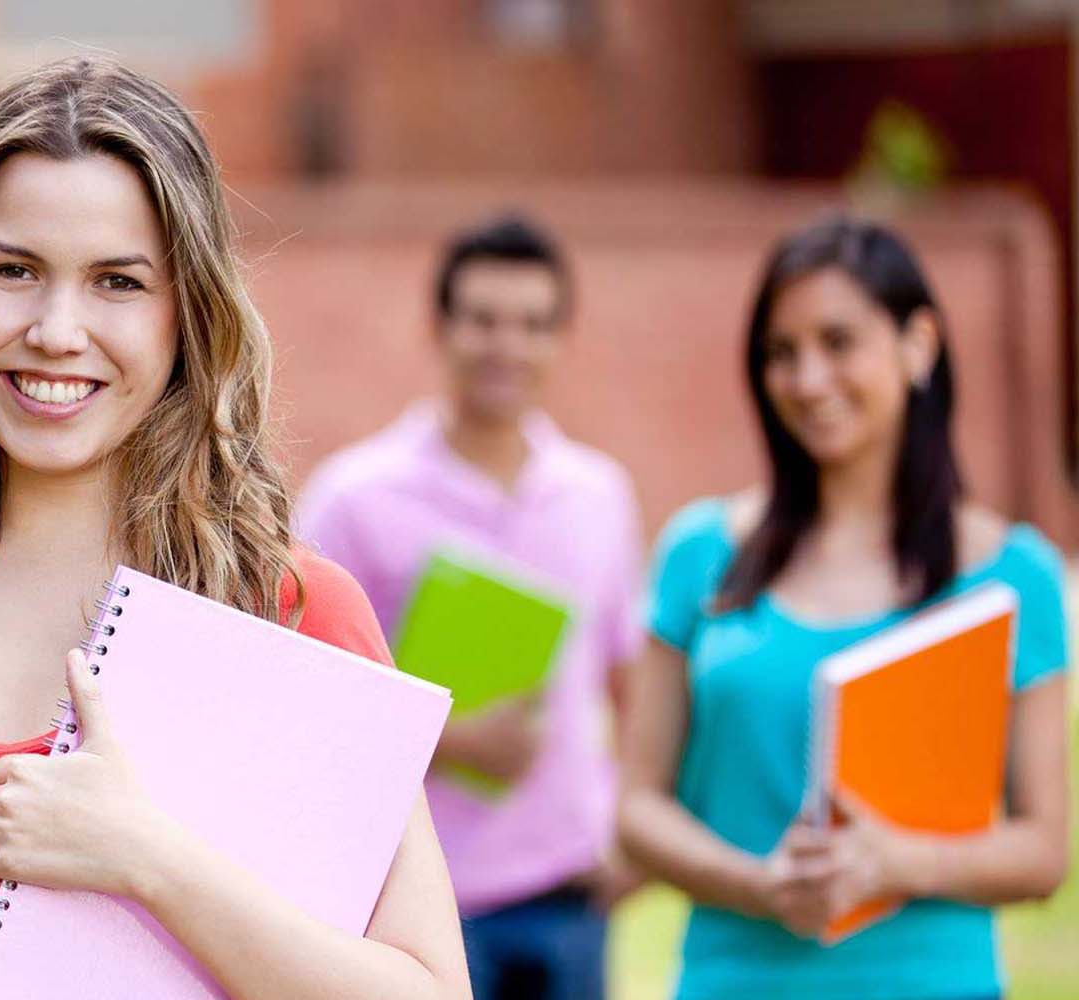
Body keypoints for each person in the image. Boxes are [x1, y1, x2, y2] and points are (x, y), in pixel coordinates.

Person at [0, 56, 471, 1000]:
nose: (58, 330)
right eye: (14, 270)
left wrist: (146, 858)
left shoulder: (291, 608)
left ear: (189, 315)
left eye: (118, 282)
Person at [618, 216, 1070, 999]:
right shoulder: (699, 554)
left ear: (917, 346)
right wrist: (758, 884)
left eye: (838, 342)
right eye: (781, 354)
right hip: (732, 979)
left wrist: (897, 863)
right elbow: (636, 810)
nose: (808, 379)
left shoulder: (1012, 575)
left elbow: (1043, 852)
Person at [297, 213, 644, 1000]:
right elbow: (302, 701)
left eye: (532, 324)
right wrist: (449, 739)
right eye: (483, 320)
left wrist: (628, 834)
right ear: (440, 328)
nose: (506, 346)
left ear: (561, 340)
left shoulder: (600, 495)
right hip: (414, 902)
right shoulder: (354, 498)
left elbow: (631, 679)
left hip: (570, 895)